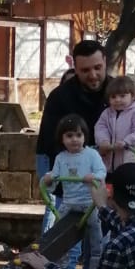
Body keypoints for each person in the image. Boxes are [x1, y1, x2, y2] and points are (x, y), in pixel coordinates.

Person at [41, 114, 107, 269]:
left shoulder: (92, 155)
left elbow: (101, 173)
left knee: (96, 254)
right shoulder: (61, 158)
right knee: (65, 258)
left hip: (90, 206)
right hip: (69, 207)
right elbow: (54, 179)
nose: (75, 140)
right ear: (62, 139)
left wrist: (92, 177)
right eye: (69, 136)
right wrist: (49, 179)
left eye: (78, 135)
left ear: (84, 136)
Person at [35, 39, 109, 175]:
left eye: (97, 68)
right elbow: (48, 144)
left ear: (105, 61)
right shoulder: (59, 98)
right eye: (85, 70)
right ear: (75, 69)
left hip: (115, 172)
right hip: (71, 176)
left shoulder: (122, 92)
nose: (93, 75)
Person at [94, 74, 135, 172]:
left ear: (132, 96)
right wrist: (103, 141)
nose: (117, 100)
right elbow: (100, 127)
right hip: (110, 162)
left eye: (122, 96)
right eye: (113, 97)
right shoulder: (107, 113)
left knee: (129, 177)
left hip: (132, 160)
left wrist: (126, 141)